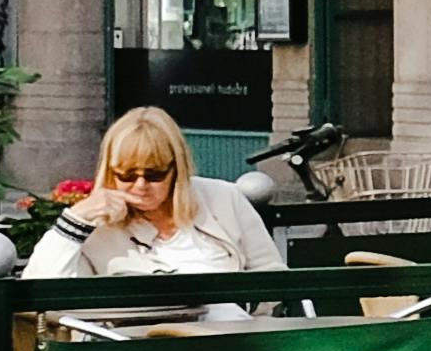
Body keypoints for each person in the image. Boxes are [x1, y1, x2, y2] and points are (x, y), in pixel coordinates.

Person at [28, 108, 288, 287]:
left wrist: (242, 312)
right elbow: (43, 293)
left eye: (154, 175)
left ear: (176, 170)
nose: (140, 186)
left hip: (232, 343)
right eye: (127, 175)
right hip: (136, 349)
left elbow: (272, 276)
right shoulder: (96, 226)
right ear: (111, 172)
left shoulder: (223, 198)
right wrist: (74, 220)